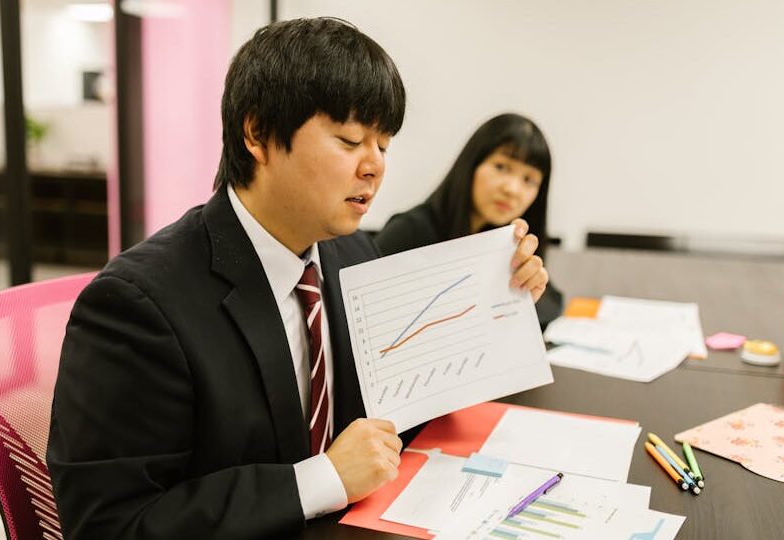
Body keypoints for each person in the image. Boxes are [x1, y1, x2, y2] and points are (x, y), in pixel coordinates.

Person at [47, 18, 549, 539]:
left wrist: (499, 302)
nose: (374, 166)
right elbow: (110, 525)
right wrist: (323, 478)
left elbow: (396, 405)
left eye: (383, 144)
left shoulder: (351, 254)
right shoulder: (138, 305)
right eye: (351, 139)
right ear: (258, 133)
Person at [374, 113, 563, 328]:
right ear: (472, 164)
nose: (512, 189)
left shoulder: (505, 243)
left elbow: (553, 302)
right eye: (501, 167)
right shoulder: (411, 230)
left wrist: (527, 283)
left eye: (529, 180)